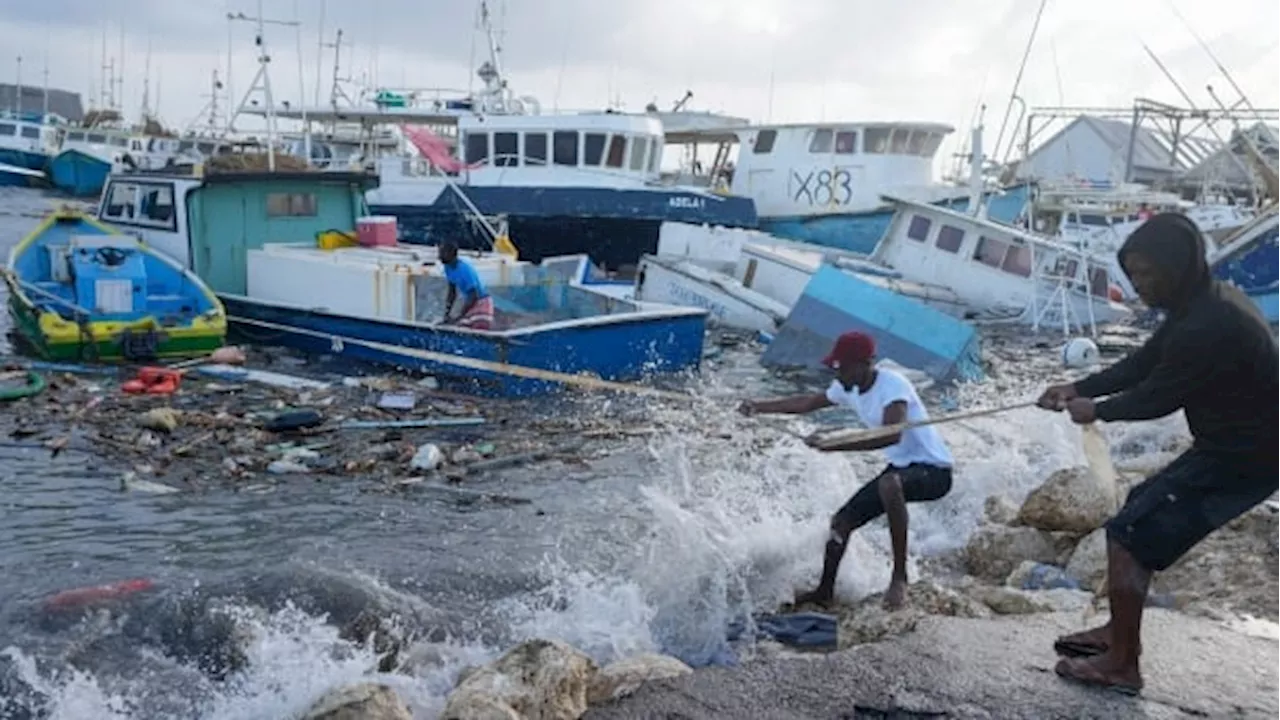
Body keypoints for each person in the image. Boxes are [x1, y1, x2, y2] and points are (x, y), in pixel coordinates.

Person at [1037, 212, 1280, 695]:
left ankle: (1123, 664)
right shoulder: (1199, 303)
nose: (1140, 285)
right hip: (1234, 444)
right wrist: (1077, 385)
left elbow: (1157, 397)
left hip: (1250, 455)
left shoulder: (1207, 323)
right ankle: (1117, 633)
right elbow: (1144, 363)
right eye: (1134, 275)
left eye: (1148, 273)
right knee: (1137, 509)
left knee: (1129, 533)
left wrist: (1094, 409)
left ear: (1178, 264)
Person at [739, 331, 955, 610]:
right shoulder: (847, 387)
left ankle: (899, 577)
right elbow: (807, 403)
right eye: (836, 368)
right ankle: (824, 591)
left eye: (843, 368)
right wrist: (758, 406)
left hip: (935, 472)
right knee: (841, 523)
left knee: (890, 484)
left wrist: (835, 444)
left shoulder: (893, 386)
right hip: (902, 469)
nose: (837, 374)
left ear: (866, 364)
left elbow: (891, 435)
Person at [438, 240, 494, 330]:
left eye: (442, 253)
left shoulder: (465, 269)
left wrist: (460, 316)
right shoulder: (447, 267)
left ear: (451, 254)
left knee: (470, 328)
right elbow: (452, 293)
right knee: (452, 325)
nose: (439, 257)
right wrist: (447, 314)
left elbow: (473, 295)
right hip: (472, 302)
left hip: (481, 302)